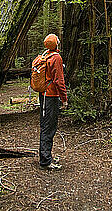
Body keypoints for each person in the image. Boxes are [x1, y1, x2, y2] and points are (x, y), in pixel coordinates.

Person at [39, 33, 68, 170]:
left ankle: (46, 156)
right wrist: (64, 98)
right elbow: (59, 81)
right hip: (50, 96)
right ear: (56, 44)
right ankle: (45, 160)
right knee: (48, 126)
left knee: (47, 125)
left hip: (45, 95)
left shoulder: (46, 55)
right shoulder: (56, 58)